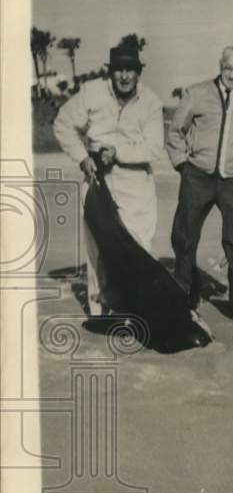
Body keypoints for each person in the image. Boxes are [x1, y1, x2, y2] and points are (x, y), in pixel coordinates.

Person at [53, 44, 165, 317]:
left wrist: (119, 154)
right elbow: (63, 124)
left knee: (138, 247)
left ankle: (134, 308)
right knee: (97, 247)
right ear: (111, 72)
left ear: (138, 72)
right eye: (118, 70)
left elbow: (154, 148)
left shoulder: (151, 102)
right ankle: (99, 307)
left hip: (135, 184)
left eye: (130, 70)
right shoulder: (92, 93)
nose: (124, 76)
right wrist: (82, 157)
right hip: (97, 180)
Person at [166, 46, 233, 324]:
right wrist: (183, 165)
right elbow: (175, 132)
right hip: (198, 176)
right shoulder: (196, 93)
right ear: (220, 65)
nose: (232, 75)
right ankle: (184, 293)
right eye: (228, 68)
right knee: (184, 236)